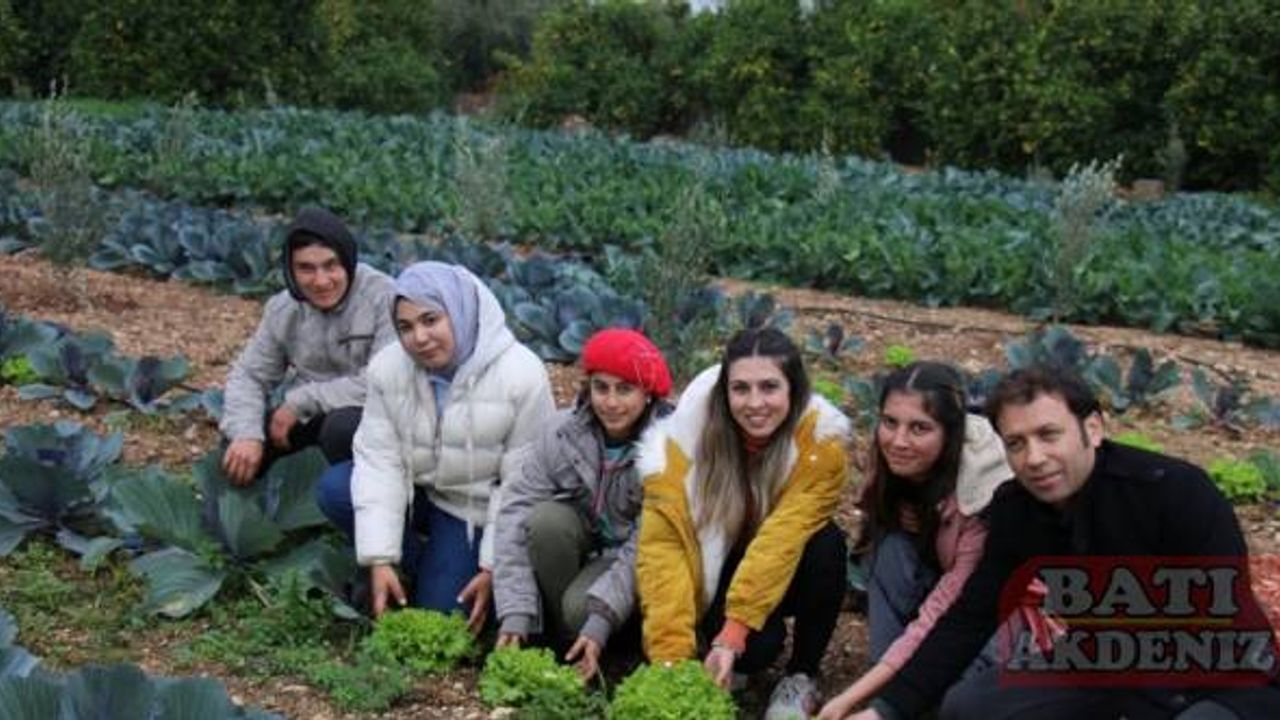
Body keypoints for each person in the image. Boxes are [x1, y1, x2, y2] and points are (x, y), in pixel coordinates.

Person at [850, 365, 1280, 720]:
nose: (1034, 458)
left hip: (1218, 675)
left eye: (1048, 435)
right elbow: (970, 618)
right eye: (1016, 444)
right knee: (972, 706)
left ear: (1092, 428)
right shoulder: (1018, 508)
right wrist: (886, 710)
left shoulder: (1174, 492)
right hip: (1101, 666)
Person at [315, 261, 554, 632]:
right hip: (419, 494)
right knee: (335, 488)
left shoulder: (521, 375)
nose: (419, 338)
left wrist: (493, 567)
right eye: (405, 327)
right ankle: (414, 565)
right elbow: (380, 461)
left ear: (459, 311)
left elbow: (521, 484)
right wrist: (380, 559)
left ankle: (442, 568)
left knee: (441, 616)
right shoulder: (389, 368)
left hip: (472, 512)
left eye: (430, 320)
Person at [635, 327, 851, 720]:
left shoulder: (819, 447)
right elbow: (663, 552)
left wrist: (733, 633)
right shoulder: (680, 449)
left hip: (784, 564)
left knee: (827, 543)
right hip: (720, 570)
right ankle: (723, 654)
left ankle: (801, 675)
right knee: (756, 652)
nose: (755, 403)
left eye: (769, 387)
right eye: (740, 389)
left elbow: (783, 538)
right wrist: (671, 661)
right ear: (725, 393)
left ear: (794, 390)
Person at [818, 362, 1014, 720]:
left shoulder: (984, 495)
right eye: (889, 422)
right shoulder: (891, 462)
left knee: (957, 700)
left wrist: (853, 700)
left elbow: (946, 611)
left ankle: (901, 690)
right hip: (940, 589)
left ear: (950, 433)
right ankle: (892, 678)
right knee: (888, 549)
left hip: (995, 617)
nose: (898, 441)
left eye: (919, 428)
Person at [493, 328, 674, 679]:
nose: (611, 402)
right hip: (585, 548)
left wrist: (599, 620)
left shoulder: (667, 448)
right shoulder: (561, 432)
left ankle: (605, 638)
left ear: (648, 393)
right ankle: (567, 640)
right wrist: (515, 612)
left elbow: (647, 544)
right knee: (546, 521)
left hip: (637, 564)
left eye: (625, 389)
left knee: (582, 610)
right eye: (601, 388)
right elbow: (516, 509)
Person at [219, 206, 395, 486]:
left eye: (331, 265)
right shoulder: (284, 309)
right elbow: (249, 375)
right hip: (311, 415)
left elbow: (384, 383)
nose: (321, 281)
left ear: (348, 261)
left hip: (377, 416)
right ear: (290, 271)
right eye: (306, 268)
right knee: (238, 448)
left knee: (341, 429)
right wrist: (246, 434)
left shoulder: (384, 298)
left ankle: (362, 500)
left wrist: (299, 402)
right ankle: (299, 499)